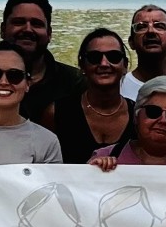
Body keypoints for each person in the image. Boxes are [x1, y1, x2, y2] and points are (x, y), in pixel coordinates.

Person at [0, 0, 81, 135]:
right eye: (19, 22)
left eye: (36, 24)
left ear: (49, 33)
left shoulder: (76, 83)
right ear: (3, 30)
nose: (27, 29)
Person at [53, 28, 135, 162]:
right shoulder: (57, 112)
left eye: (113, 57)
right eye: (94, 57)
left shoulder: (140, 116)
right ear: (82, 65)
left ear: (125, 65)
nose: (104, 64)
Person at [122, 3, 166, 100]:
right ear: (131, 43)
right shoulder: (117, 87)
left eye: (159, 26)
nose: (150, 31)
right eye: (141, 27)